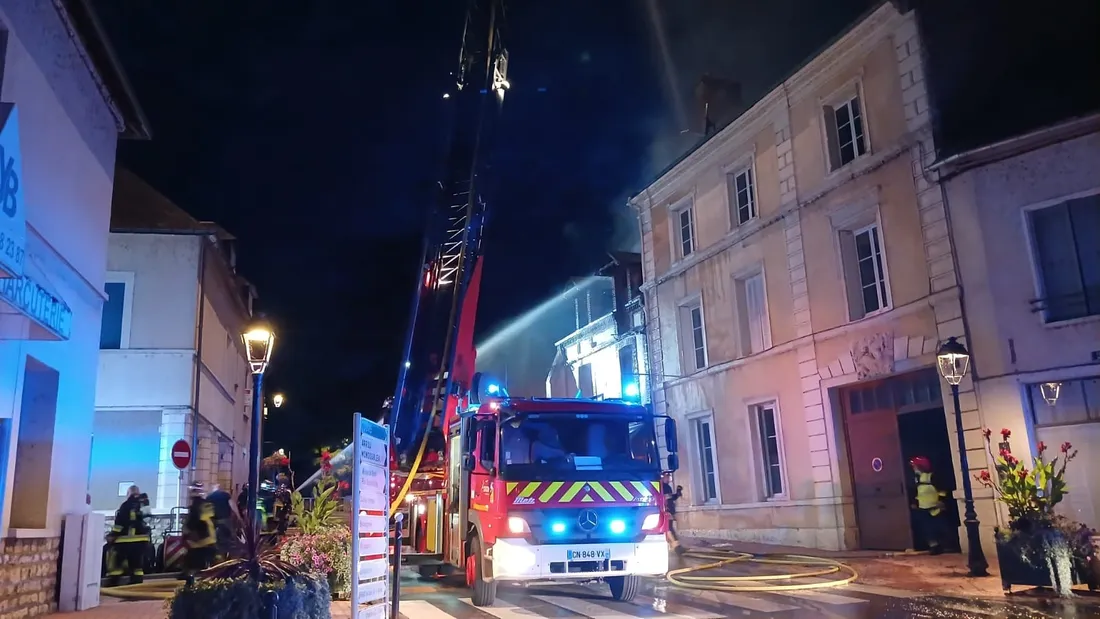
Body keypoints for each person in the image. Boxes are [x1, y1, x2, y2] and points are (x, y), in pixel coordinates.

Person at [106, 485, 151, 586]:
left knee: (117, 563)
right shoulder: (144, 504)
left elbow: (120, 523)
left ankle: (113, 584)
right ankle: (136, 584)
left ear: (128, 494)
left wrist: (113, 535)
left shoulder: (125, 505)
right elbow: (147, 519)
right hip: (142, 541)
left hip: (125, 541)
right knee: (137, 566)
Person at [910, 456, 946, 555]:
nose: (914, 468)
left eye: (915, 466)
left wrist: (941, 501)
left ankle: (940, 546)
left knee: (936, 528)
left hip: (935, 508)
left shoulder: (932, 477)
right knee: (926, 529)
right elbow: (916, 492)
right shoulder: (916, 479)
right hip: (922, 508)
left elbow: (942, 490)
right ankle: (933, 546)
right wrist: (914, 503)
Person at [183, 483, 218, 580]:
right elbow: (214, 518)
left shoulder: (195, 505)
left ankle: (190, 584)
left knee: (192, 563)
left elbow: (194, 521)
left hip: (200, 540)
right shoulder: (207, 503)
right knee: (207, 564)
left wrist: (186, 531)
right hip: (211, 538)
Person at [205, 483, 235, 558]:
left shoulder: (209, 497)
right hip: (225, 520)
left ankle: (217, 556)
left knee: (215, 539)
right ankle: (228, 556)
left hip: (214, 521)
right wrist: (239, 516)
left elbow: (207, 510)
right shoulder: (225, 495)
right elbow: (232, 505)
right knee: (228, 538)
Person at [661, 474, 685, 555]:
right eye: (667, 477)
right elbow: (664, 499)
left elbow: (670, 498)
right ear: (663, 477)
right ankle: (676, 547)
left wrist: (678, 493)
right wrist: (667, 510)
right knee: (668, 528)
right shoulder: (662, 487)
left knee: (669, 528)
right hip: (666, 511)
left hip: (669, 510)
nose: (669, 478)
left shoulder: (667, 486)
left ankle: (675, 546)